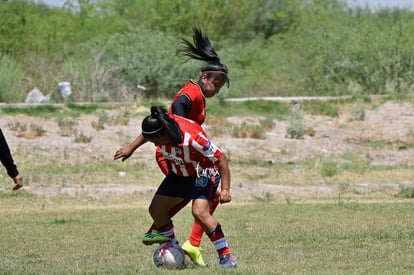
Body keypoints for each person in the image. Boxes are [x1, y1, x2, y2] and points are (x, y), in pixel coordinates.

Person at [114, 28, 229, 267]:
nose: (216, 89)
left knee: (202, 200)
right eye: (215, 83)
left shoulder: (197, 94)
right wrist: (133, 147)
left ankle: (186, 242)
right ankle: (163, 232)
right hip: (176, 156)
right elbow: (171, 119)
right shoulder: (191, 95)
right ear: (204, 77)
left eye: (220, 86)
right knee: (195, 200)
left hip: (188, 155)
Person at [141, 105, 237, 268]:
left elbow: (221, 159)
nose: (155, 145)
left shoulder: (192, 139)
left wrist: (226, 189)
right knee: (156, 209)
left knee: (199, 212)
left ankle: (226, 257)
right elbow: (147, 134)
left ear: (164, 133)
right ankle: (173, 247)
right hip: (180, 173)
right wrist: (130, 148)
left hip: (204, 170)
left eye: (156, 141)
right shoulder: (160, 126)